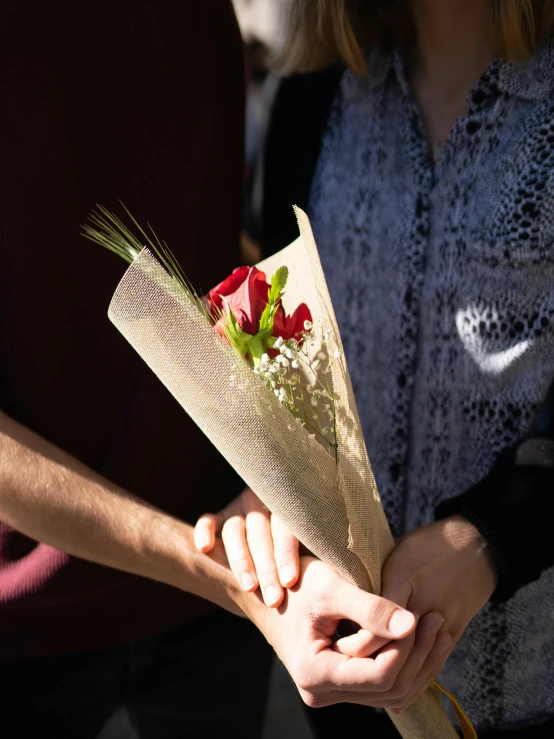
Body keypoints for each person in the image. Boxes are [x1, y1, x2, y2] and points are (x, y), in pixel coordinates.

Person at [0, 2, 422, 738]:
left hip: (225, 602)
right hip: (32, 621)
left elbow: (214, 263)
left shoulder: (199, 23)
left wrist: (273, 483)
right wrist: (222, 571)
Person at [195, 1, 554, 736]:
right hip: (344, 681)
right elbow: (278, 353)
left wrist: (489, 536)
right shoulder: (312, 98)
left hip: (529, 688)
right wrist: (268, 489)